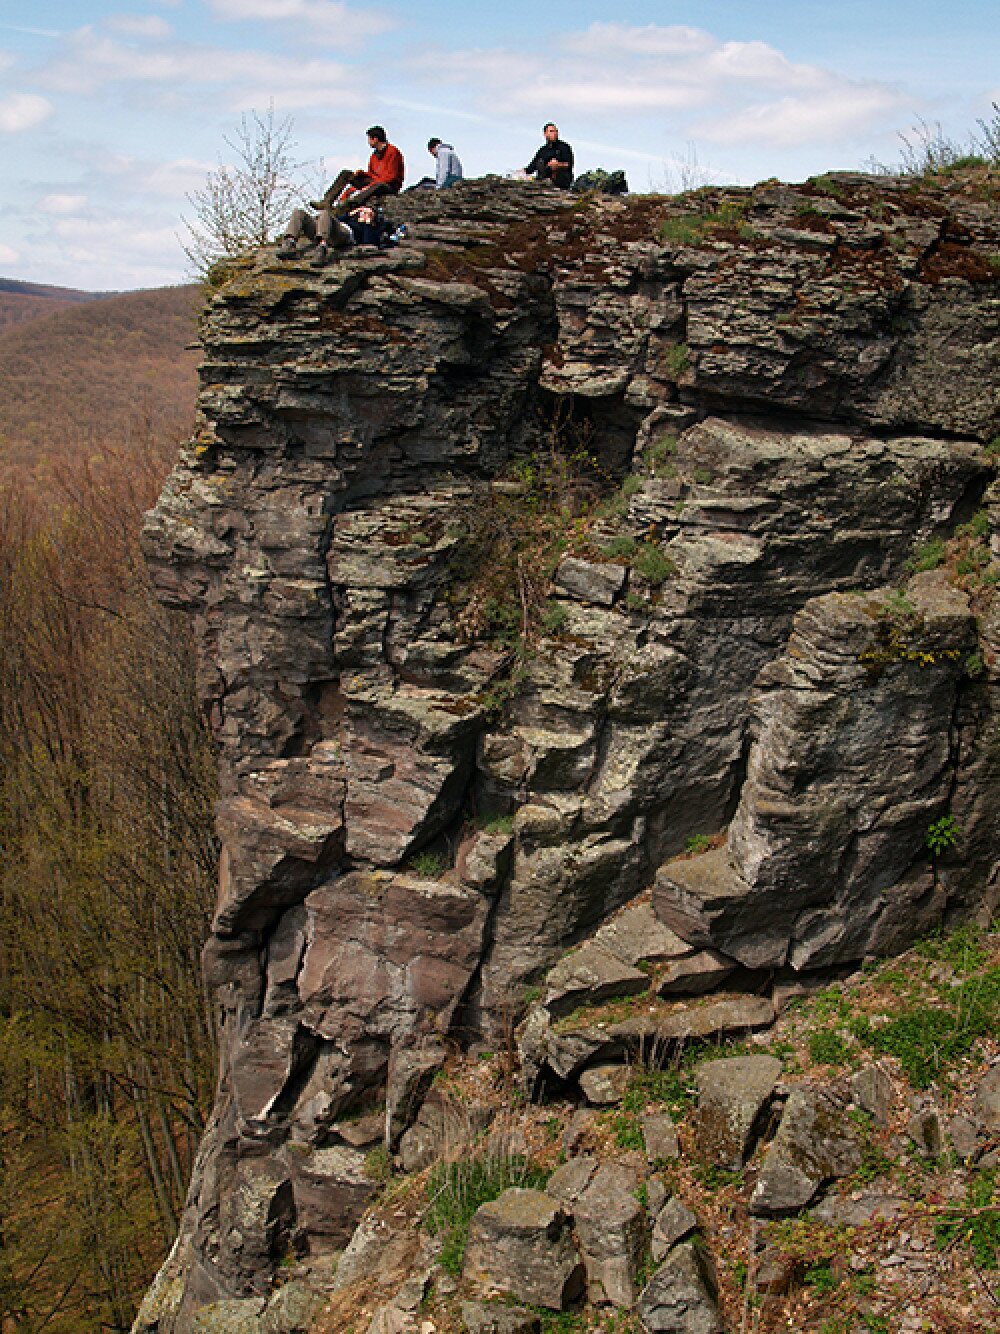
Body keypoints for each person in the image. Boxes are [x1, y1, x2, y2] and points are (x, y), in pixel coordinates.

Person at [276, 125, 404, 267]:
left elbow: (391, 176)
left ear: (375, 138)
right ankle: (326, 201)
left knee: (374, 187)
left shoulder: (393, 152)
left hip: (388, 185)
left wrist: (367, 216)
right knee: (346, 174)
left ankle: (325, 243)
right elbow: (372, 173)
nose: (368, 142)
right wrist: (362, 176)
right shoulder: (374, 156)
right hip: (371, 185)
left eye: (369, 139)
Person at [524, 122, 574, 189]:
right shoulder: (542, 151)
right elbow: (531, 167)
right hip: (544, 179)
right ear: (545, 134)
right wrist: (520, 173)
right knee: (540, 163)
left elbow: (569, 164)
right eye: (551, 131)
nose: (554, 133)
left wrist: (557, 165)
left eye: (556, 131)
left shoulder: (564, 147)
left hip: (561, 181)